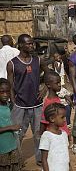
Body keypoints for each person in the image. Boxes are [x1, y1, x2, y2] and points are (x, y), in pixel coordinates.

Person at [7, 34, 49, 165]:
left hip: (37, 104)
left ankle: (39, 159)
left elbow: (49, 73)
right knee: (17, 135)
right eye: (28, 43)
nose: (31, 45)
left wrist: (45, 89)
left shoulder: (38, 60)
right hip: (20, 105)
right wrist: (14, 102)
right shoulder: (12, 64)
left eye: (32, 43)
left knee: (38, 133)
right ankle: (17, 160)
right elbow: (10, 85)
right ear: (20, 45)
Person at [39, 103, 71, 171]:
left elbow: (66, 155)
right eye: (62, 117)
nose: (65, 119)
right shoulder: (46, 136)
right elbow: (44, 159)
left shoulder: (64, 134)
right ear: (52, 119)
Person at [0, 78, 22, 171]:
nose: (5, 95)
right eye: (2, 92)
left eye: (7, 92)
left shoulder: (9, 106)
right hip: (2, 148)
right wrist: (11, 127)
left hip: (12, 145)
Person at [40, 71, 70, 136]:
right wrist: (41, 135)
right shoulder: (48, 102)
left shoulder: (57, 97)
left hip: (62, 134)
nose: (60, 85)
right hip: (55, 135)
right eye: (57, 83)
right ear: (48, 85)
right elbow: (43, 121)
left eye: (60, 82)